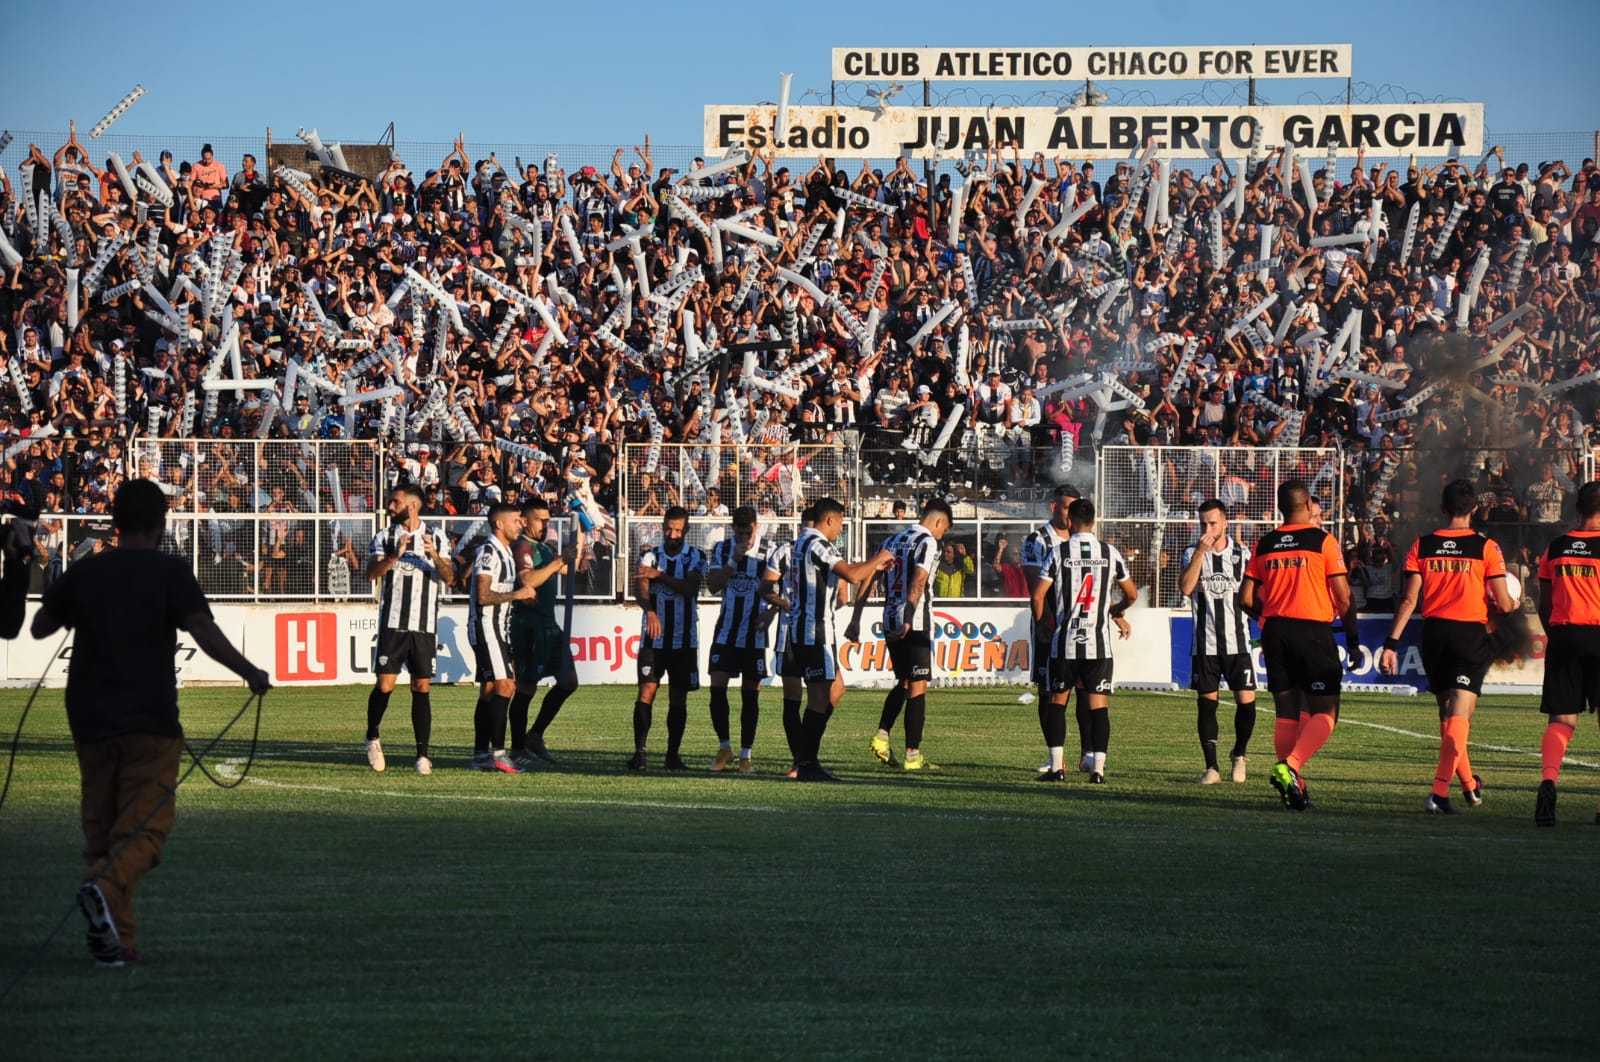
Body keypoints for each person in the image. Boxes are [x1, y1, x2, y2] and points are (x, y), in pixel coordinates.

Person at [31, 479, 270, 968]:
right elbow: (203, 631)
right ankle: (103, 890)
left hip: (90, 721)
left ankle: (115, 943)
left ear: (115, 522)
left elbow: (39, 627)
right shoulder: (170, 572)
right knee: (145, 831)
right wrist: (251, 672)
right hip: (149, 720)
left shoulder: (88, 572)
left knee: (103, 833)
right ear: (161, 525)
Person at [1379, 479, 1512, 813]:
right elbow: (1505, 604)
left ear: (1442, 508)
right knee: (1460, 715)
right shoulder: (1486, 548)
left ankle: (1468, 785)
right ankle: (1439, 792)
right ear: (1475, 509)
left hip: (1434, 635)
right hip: (1469, 636)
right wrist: (1511, 597)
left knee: (1447, 714)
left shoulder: (1422, 545)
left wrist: (1391, 643)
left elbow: (1410, 599)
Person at [1240, 480, 1352, 811]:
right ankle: (1291, 766)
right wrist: (1354, 637)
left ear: (1280, 508)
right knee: (1326, 710)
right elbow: (1343, 596)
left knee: (1286, 710)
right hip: (1313, 631)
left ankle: (1293, 787)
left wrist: (1271, 616)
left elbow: (1245, 598)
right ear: (1306, 505)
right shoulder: (1323, 541)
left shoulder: (1266, 543)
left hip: (1275, 632)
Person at [787, 497, 894, 781]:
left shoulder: (803, 542)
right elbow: (851, 574)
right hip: (813, 630)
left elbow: (849, 572)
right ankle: (806, 762)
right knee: (821, 695)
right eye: (841, 524)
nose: (841, 530)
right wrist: (879, 557)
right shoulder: (817, 544)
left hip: (814, 629)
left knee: (834, 690)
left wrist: (873, 566)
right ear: (830, 520)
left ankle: (806, 758)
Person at [1031, 499, 1136, 783]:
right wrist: (1115, 610)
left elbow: (1038, 595)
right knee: (1098, 706)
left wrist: (1042, 625)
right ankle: (1098, 770)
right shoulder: (1110, 553)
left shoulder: (1058, 552)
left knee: (1057, 703)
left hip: (1065, 642)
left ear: (1070, 522)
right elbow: (1132, 594)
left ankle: (1057, 768)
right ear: (1094, 522)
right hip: (1098, 644)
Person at [363, 484, 453, 776]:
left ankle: (422, 755)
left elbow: (450, 577)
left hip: (424, 625)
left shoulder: (436, 535)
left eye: (395, 502)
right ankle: (373, 736)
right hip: (393, 623)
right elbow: (371, 574)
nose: (390, 507)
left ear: (412, 505)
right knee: (385, 685)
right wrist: (393, 557)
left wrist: (435, 556)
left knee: (421, 686)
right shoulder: (385, 536)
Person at [862, 498, 951, 771]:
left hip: (889, 617)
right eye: (944, 529)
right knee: (918, 685)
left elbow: (870, 577)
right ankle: (913, 754)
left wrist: (856, 617)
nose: (942, 535)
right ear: (937, 521)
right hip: (914, 621)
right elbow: (919, 581)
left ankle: (882, 736)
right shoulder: (927, 541)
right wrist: (910, 616)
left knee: (903, 681)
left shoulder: (892, 540)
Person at [1531, 480, 1600, 827]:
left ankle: (1548, 780)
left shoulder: (1556, 547)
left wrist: (1555, 632)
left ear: (1578, 508)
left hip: (1563, 633)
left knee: (1561, 719)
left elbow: (1544, 602)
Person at [1178, 499, 1257, 785]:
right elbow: (1187, 588)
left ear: (1225, 522)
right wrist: (1200, 550)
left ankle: (1239, 755)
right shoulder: (1191, 552)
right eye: (1203, 524)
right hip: (1205, 644)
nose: (1207, 528)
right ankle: (1211, 767)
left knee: (1247, 703)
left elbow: (1252, 596)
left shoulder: (1243, 554)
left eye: (1212, 523)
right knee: (1206, 706)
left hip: (1239, 643)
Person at [705, 506, 783, 771]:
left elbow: (778, 589)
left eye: (747, 531)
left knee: (751, 695)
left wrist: (771, 613)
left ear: (756, 526)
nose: (743, 537)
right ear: (732, 528)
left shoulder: (770, 551)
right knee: (717, 687)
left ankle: (746, 754)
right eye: (738, 532)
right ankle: (724, 747)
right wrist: (732, 561)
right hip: (726, 630)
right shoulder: (721, 548)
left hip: (754, 634)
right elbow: (713, 585)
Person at [630, 506, 706, 771]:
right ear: (663, 527)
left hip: (684, 640)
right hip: (654, 639)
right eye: (669, 529)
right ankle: (639, 752)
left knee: (678, 698)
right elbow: (640, 588)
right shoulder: (649, 556)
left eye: (678, 530)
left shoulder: (696, 557)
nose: (672, 535)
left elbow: (690, 589)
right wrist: (650, 610)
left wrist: (660, 576)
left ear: (685, 531)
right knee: (646, 691)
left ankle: (672, 755)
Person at [1021, 484, 1087, 776]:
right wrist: (1046, 624)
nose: (1070, 513)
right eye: (1065, 507)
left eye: (1074, 508)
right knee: (1049, 691)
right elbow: (1035, 586)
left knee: (1086, 691)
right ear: (1054, 507)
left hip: (1082, 627)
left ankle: (1089, 754)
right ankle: (1055, 757)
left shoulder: (1083, 540)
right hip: (1052, 627)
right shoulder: (1037, 540)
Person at [508, 497, 577, 767]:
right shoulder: (523, 546)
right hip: (529, 626)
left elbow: (568, 569)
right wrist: (558, 561)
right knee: (527, 686)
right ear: (525, 520)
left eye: (548, 520)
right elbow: (528, 580)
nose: (545, 525)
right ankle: (517, 747)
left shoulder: (545, 548)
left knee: (568, 681)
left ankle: (535, 735)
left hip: (549, 625)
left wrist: (574, 554)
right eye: (540, 520)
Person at [468, 502, 534, 773]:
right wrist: (517, 595)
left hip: (499, 628)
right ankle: (498, 753)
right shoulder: (489, 551)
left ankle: (480, 754)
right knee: (506, 686)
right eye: (516, 520)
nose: (521, 524)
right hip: (487, 626)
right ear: (499, 524)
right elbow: (483, 595)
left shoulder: (506, 551)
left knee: (490, 690)